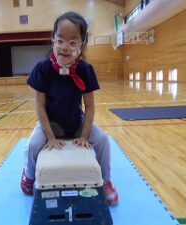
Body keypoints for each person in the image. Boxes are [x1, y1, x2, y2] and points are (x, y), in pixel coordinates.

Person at [21, 11, 118, 205]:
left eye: (73, 42)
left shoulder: (85, 70)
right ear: (53, 41)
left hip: (76, 123)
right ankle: (29, 175)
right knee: (32, 145)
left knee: (103, 141)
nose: (65, 47)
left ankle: (106, 181)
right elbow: (40, 106)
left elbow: (89, 107)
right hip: (50, 123)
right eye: (60, 40)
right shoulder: (42, 68)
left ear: (81, 45)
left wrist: (84, 135)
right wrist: (49, 136)